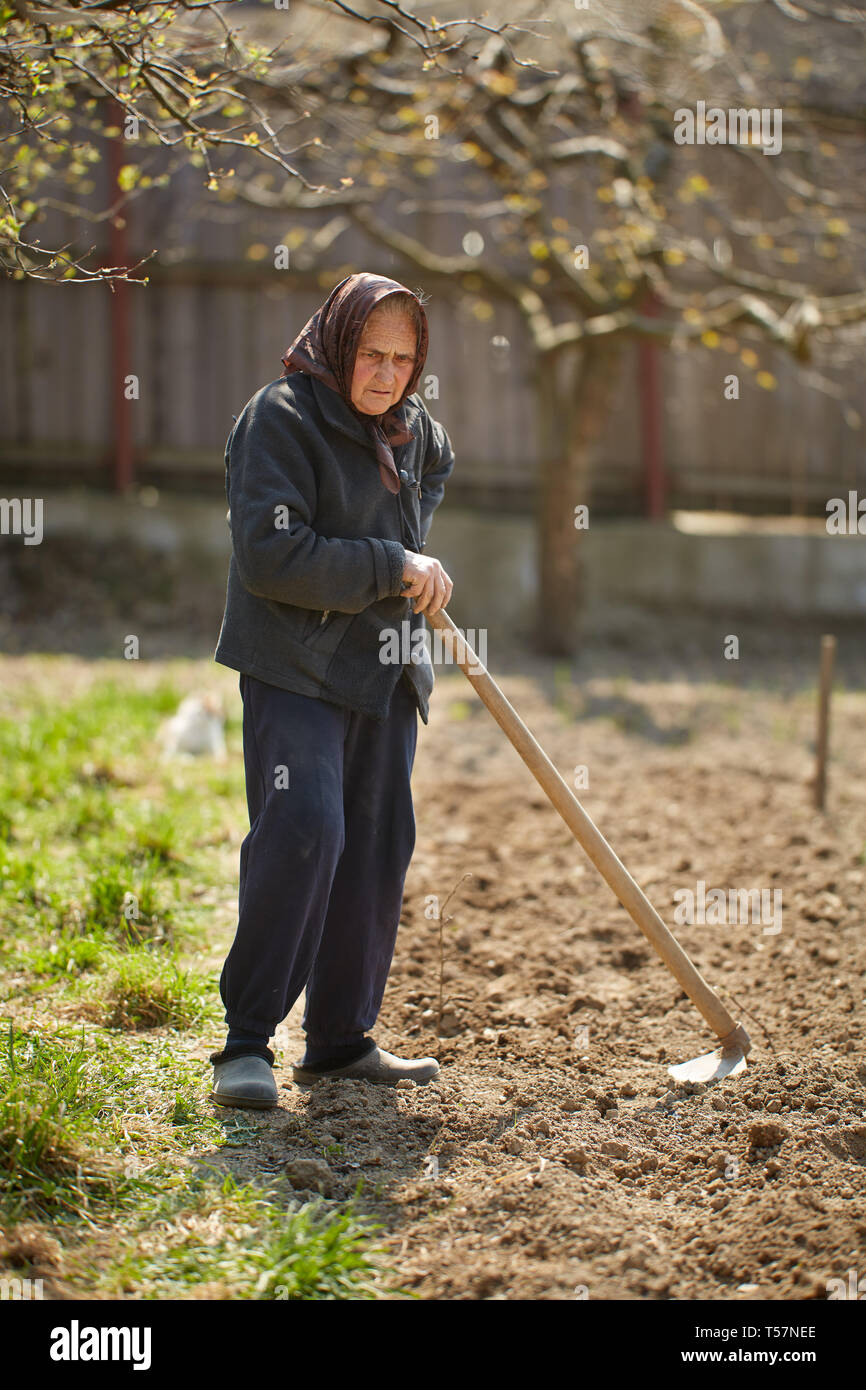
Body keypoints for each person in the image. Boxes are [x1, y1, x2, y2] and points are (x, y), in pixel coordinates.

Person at [209, 271, 455, 1109]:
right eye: (370, 354)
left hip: (383, 666)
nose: (386, 374)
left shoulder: (411, 431)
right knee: (307, 827)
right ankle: (247, 1043)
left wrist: (416, 551)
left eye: (404, 358)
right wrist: (395, 564)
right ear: (337, 343)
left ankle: (341, 1041)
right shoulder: (279, 420)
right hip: (295, 667)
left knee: (378, 845)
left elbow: (435, 470)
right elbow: (272, 559)